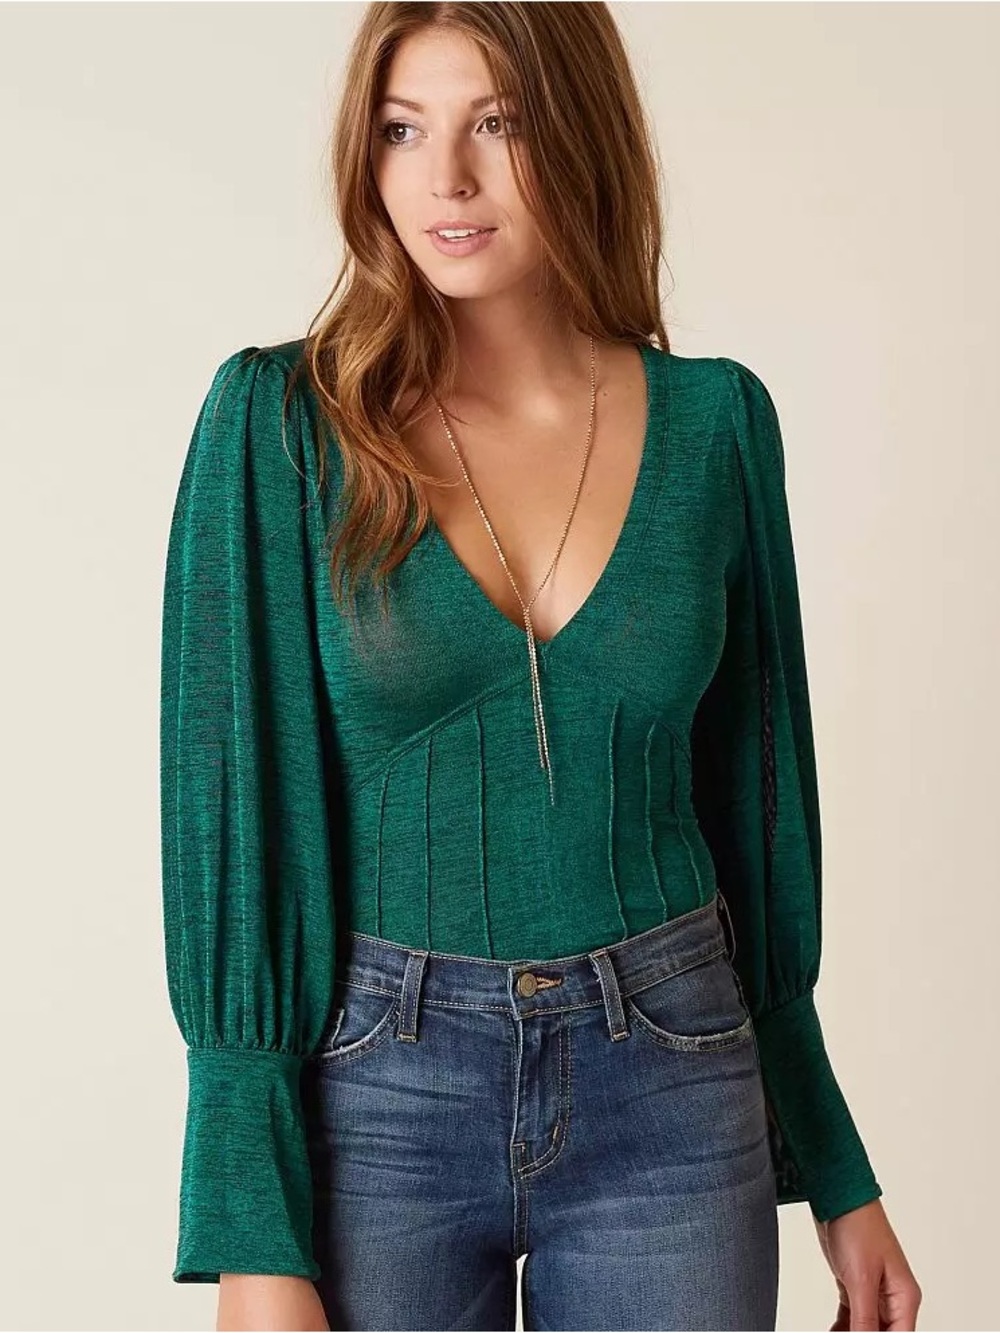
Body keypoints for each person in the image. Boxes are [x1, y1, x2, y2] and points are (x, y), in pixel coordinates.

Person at [159, 4, 922, 1330]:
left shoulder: (716, 426)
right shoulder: (283, 426)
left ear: (580, 134)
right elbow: (235, 827)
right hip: (374, 1093)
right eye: (402, 131)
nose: (445, 179)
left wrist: (836, 1167)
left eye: (496, 124)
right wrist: (249, 1235)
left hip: (675, 1076)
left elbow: (757, 823)